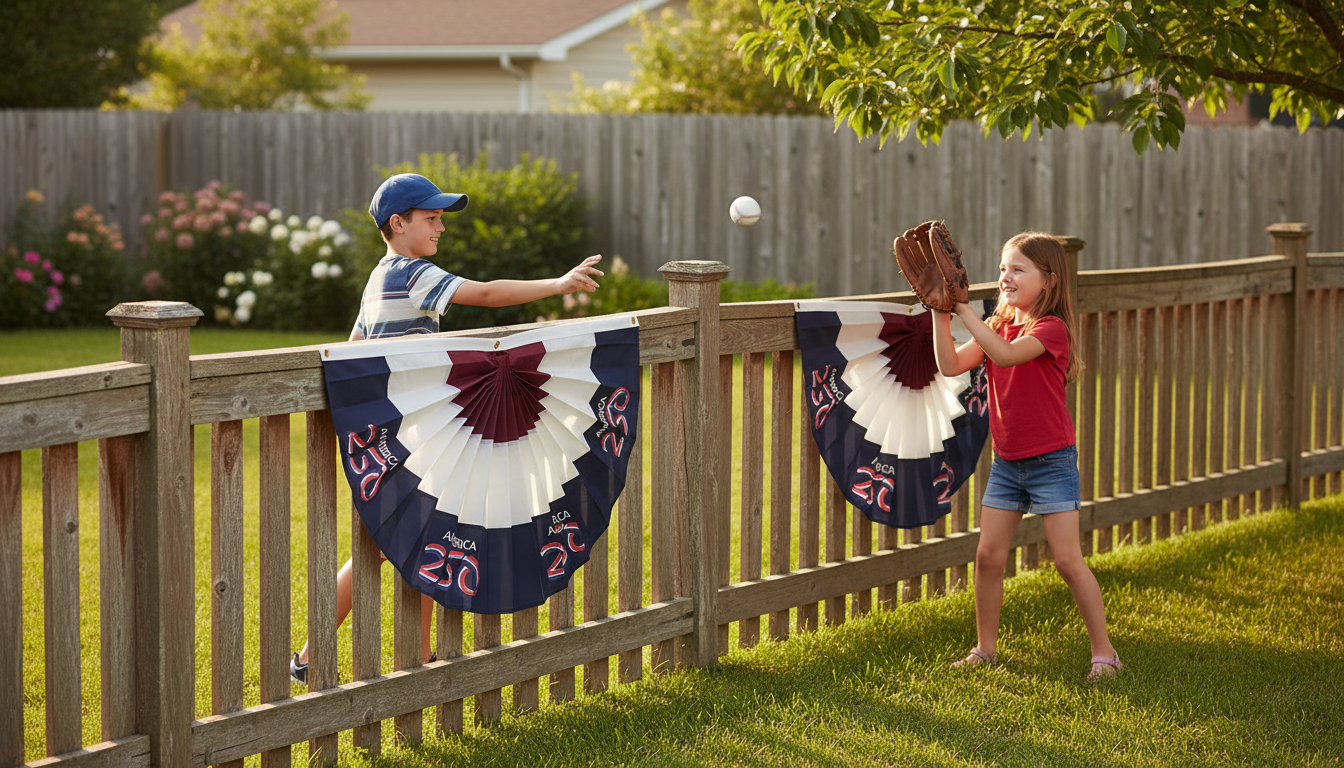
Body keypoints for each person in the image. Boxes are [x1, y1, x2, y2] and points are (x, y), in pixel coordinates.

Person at [291, 172, 604, 685]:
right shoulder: (414, 273)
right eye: (431, 218)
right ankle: (405, 658)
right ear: (399, 223)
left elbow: (351, 349)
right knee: (412, 536)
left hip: (395, 438)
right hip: (419, 440)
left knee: (392, 541)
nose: (440, 229)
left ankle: (322, 657)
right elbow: (482, 293)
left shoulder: (378, 278)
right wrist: (557, 284)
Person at [930, 231, 1121, 682]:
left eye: (1018, 269)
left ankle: (1104, 653)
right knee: (988, 556)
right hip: (1008, 462)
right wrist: (940, 314)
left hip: (1051, 461)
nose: (1006, 277)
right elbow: (951, 365)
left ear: (1048, 281)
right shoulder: (998, 325)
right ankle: (985, 649)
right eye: (1002, 269)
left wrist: (962, 310)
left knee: (1068, 561)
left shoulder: (1049, 330)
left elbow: (1007, 356)